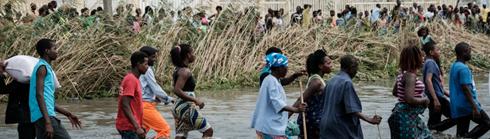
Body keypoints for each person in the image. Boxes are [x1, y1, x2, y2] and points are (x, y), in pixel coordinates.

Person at [29, 39, 82, 139]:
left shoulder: (44, 67)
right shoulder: (42, 68)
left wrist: (68, 114)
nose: (57, 51)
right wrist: (48, 122)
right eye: (55, 48)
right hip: (45, 117)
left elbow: (48, 102)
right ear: (47, 51)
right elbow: (39, 95)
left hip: (40, 117)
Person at [319, 55, 382, 139]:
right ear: (351, 68)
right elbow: (352, 110)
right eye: (356, 68)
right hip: (340, 128)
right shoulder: (346, 82)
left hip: (325, 127)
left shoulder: (331, 80)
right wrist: (370, 120)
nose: (356, 72)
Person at [251, 53, 307, 139]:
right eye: (285, 67)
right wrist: (296, 109)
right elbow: (278, 103)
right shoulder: (271, 81)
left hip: (270, 126)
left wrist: (295, 76)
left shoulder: (274, 79)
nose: (287, 69)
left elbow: (285, 81)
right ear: (278, 68)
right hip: (270, 127)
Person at [388, 38, 431, 139]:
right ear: (415, 59)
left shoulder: (402, 74)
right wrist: (424, 100)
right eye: (421, 56)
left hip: (403, 114)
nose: (424, 58)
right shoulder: (410, 76)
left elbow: (395, 92)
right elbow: (409, 99)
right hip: (405, 116)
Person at [170, 44, 213, 139]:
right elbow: (177, 90)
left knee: (181, 136)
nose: (194, 55)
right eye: (192, 52)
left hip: (178, 108)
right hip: (186, 108)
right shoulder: (185, 71)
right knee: (208, 131)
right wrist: (195, 100)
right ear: (188, 55)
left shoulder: (178, 69)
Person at [449, 42, 490, 138]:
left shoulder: (454, 66)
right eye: (469, 52)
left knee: (461, 132)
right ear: (464, 53)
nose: (470, 54)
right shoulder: (463, 68)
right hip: (467, 105)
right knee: (487, 123)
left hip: (458, 105)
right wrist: (475, 107)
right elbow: (466, 89)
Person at [292, 50, 332, 139]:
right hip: (312, 123)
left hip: (315, 121)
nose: (331, 65)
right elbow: (300, 100)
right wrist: (285, 118)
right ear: (320, 66)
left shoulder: (317, 79)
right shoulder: (316, 82)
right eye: (328, 63)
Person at [138, 46, 173, 139]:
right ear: (146, 58)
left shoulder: (139, 69)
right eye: (153, 57)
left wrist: (156, 98)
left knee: (142, 133)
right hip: (145, 106)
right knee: (165, 130)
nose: (154, 59)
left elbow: (145, 88)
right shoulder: (147, 69)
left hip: (140, 105)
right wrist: (168, 99)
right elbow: (155, 88)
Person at [422, 41, 456, 132]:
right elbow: (428, 80)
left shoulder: (429, 62)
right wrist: (436, 99)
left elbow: (437, 85)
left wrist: (450, 95)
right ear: (431, 52)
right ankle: (430, 130)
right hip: (436, 97)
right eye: (437, 50)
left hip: (435, 96)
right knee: (456, 116)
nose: (439, 52)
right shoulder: (430, 63)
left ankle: (430, 132)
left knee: (434, 120)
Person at [116, 51, 149, 139]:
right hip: (128, 127)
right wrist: (137, 127)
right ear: (138, 64)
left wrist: (139, 125)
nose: (147, 67)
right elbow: (125, 104)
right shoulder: (131, 80)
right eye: (145, 64)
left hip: (130, 126)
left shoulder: (134, 79)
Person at [0, 60, 35, 138]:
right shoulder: (35, 81)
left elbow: (2, 89)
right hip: (36, 117)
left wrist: (1, 73)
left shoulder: (19, 82)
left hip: (26, 119)